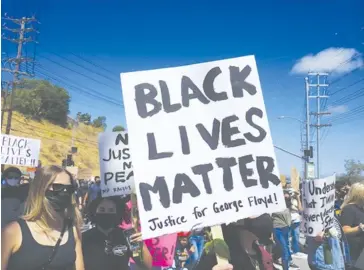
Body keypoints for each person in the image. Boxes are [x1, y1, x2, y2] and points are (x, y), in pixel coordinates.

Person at [1, 165, 84, 270]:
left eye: (69, 188)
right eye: (57, 187)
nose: (64, 192)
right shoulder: (13, 232)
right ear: (40, 189)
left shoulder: (73, 230)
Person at [82, 196, 152, 270]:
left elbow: (146, 266)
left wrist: (141, 245)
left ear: (117, 212)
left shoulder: (127, 236)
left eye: (111, 210)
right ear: (94, 212)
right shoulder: (84, 238)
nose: (106, 213)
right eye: (102, 210)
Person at [272, 192, 299, 270]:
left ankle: (272, 257)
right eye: (284, 196)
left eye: (287, 197)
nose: (286, 197)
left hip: (286, 229)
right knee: (285, 252)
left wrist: (297, 197)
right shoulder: (274, 205)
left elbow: (300, 209)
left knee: (283, 248)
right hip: (277, 229)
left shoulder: (288, 205)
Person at [340, 182, 364, 268]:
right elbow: (344, 230)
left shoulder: (360, 208)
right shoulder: (349, 209)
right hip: (353, 252)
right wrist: (360, 228)